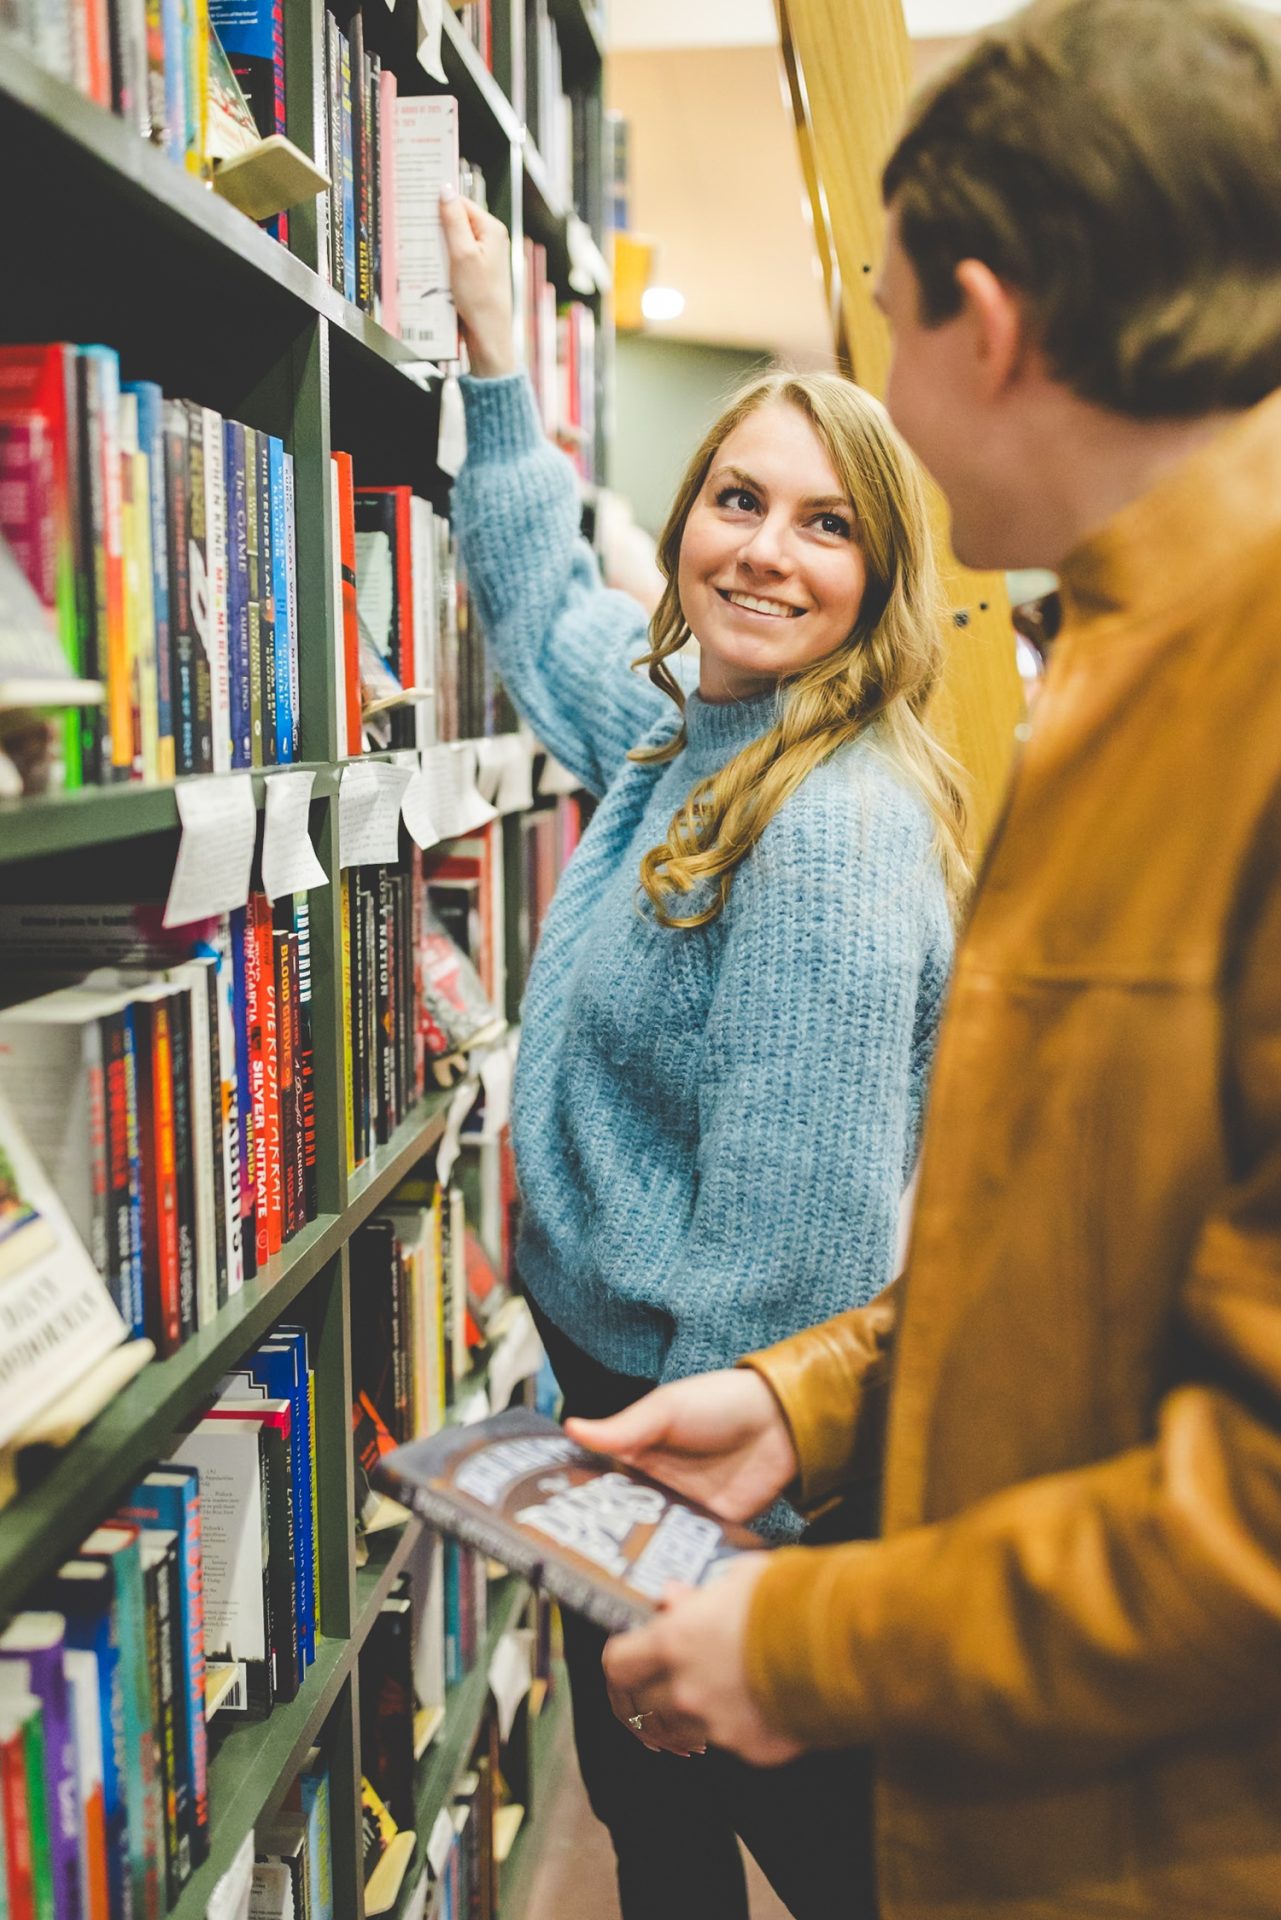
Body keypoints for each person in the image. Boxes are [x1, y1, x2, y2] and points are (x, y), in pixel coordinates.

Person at [575, 2, 1281, 1915]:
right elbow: (1081, 1247)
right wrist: (818, 1396)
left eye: (884, 320)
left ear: (989, 320)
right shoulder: (1113, 658)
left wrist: (809, 1646)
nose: (884, 373)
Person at [439, 187, 965, 1917]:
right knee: (656, 1826)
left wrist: (704, 1567)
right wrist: (499, 371)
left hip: (728, 1456)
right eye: (735, 501)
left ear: (878, 577)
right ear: (683, 526)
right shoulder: (696, 736)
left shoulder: (826, 827)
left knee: (813, 1851)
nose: (763, 551)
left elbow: (801, 1254)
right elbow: (539, 622)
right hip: (627, 1411)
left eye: (824, 527)